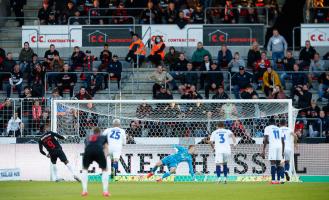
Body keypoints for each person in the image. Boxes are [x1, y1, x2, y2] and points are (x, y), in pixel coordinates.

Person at [81, 127, 109, 197]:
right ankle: (105, 192)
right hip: (99, 151)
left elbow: (85, 147)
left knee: (84, 169)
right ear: (100, 132)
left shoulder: (88, 137)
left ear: (93, 132)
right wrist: (104, 157)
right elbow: (106, 148)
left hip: (88, 152)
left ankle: (84, 191)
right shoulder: (103, 137)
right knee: (104, 169)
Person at [261, 117, 285, 184]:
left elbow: (265, 139)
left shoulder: (267, 128)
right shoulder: (279, 129)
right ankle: (281, 179)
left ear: (269, 123)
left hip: (273, 146)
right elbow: (283, 141)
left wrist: (263, 150)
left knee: (273, 163)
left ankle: (273, 180)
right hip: (280, 146)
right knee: (279, 163)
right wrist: (282, 151)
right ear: (275, 123)